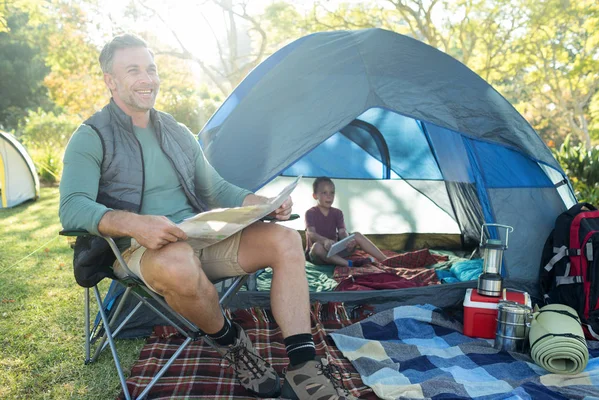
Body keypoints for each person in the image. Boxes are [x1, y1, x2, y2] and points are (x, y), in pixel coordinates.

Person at [59, 33, 356, 400]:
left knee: (284, 239)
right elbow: (72, 207)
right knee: (178, 264)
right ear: (110, 80)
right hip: (138, 249)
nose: (147, 78)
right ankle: (235, 347)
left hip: (200, 235)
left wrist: (261, 202)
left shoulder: (178, 132)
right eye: (133, 70)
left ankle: (304, 367)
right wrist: (135, 223)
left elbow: (215, 189)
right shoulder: (91, 136)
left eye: (150, 69)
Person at [305, 177, 387, 267]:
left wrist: (348, 241)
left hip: (334, 251)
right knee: (317, 247)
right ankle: (351, 264)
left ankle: (386, 260)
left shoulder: (337, 212)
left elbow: (342, 231)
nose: (329, 196)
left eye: (332, 193)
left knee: (356, 235)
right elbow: (311, 233)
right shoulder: (310, 213)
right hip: (318, 255)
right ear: (315, 196)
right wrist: (324, 241)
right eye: (324, 193)